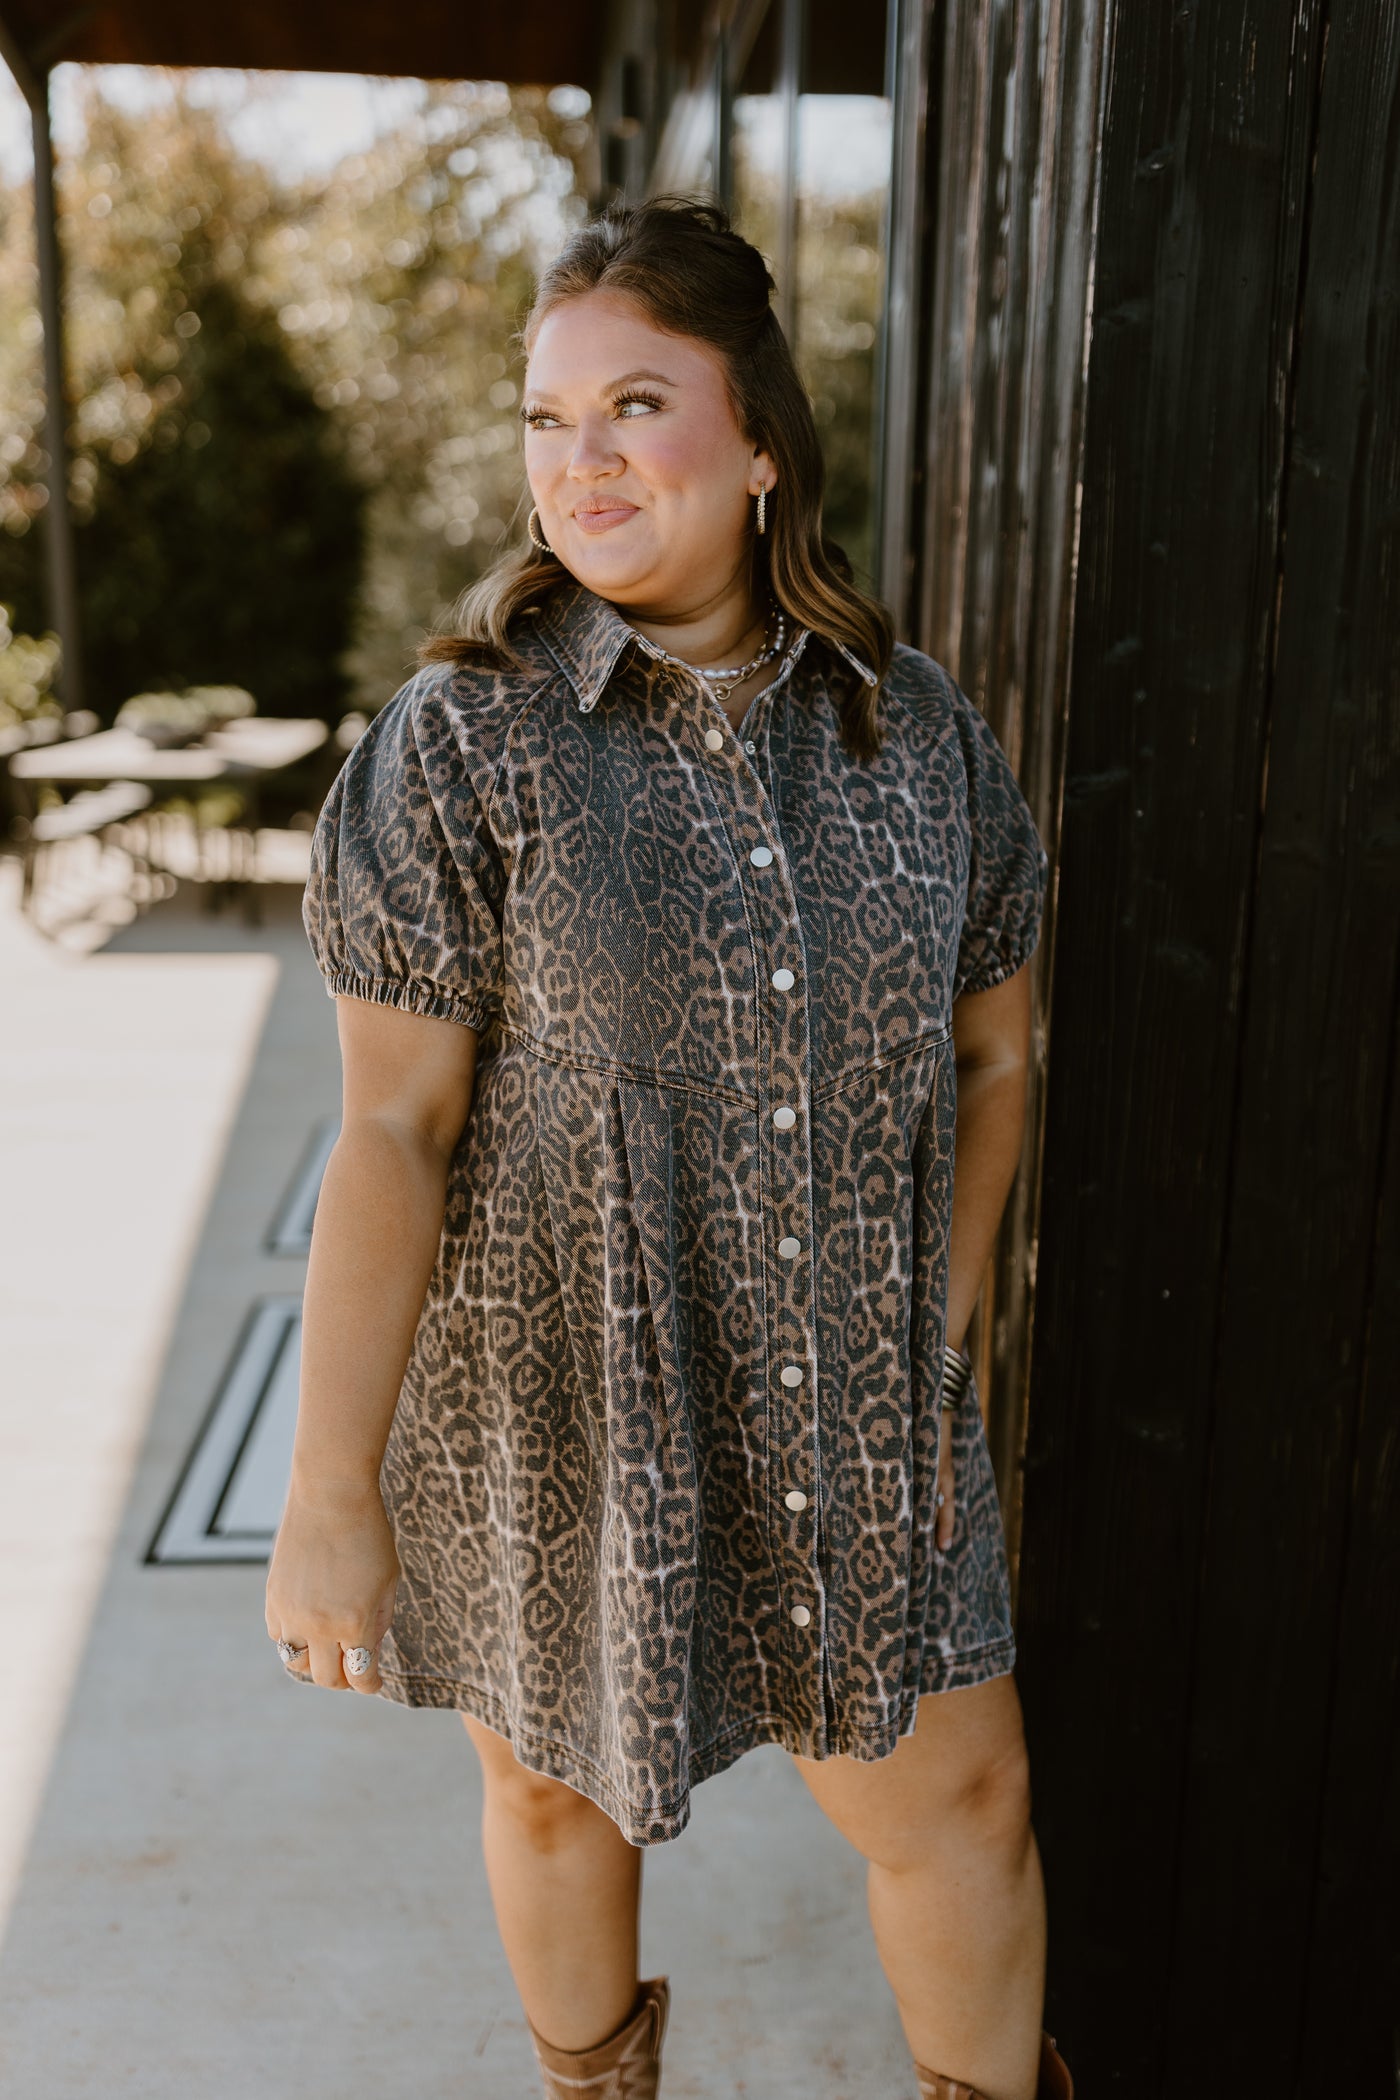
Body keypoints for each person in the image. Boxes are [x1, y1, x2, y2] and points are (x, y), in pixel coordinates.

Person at [265, 194, 1071, 2100]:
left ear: (763, 441)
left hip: (858, 1406)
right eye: (548, 419)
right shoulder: (465, 743)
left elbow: (1001, 1050)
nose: (584, 458)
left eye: (637, 402)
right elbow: (393, 1122)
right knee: (557, 1808)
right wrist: (329, 1489)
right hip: (556, 1403)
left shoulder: (914, 731)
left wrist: (938, 1310)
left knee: (965, 1799)